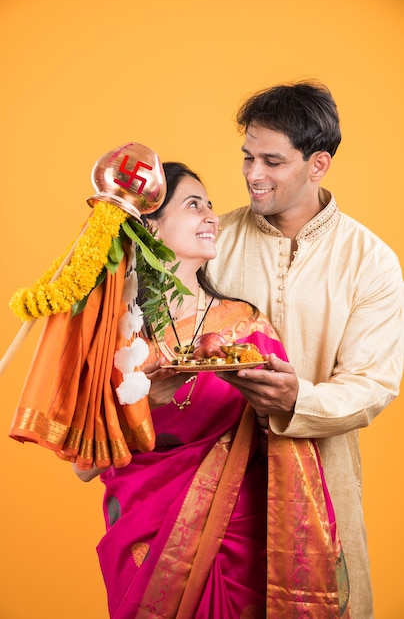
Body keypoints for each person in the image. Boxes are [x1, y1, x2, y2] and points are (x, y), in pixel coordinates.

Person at [75, 162, 351, 618]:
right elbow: (83, 468)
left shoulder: (244, 328)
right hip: (146, 533)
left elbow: (282, 435)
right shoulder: (119, 338)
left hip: (241, 534)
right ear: (150, 227)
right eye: (193, 204)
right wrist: (145, 404)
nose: (211, 216)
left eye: (210, 206)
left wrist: (273, 406)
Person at [205, 80, 404, 619]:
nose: (252, 174)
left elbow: (373, 383)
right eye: (247, 157)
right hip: (211, 482)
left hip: (322, 480)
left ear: (318, 164)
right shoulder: (209, 243)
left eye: (272, 160)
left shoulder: (371, 262)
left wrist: (298, 400)